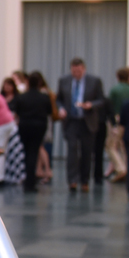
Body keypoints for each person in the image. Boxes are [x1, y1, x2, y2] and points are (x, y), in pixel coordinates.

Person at [56, 57, 105, 192]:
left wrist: (91, 105)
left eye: (78, 71)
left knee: (86, 152)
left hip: (87, 121)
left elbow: (101, 100)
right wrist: (61, 108)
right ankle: (72, 180)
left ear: (83, 69)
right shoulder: (64, 80)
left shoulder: (94, 81)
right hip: (71, 121)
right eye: (73, 71)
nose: (76, 74)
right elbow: (58, 99)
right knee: (72, 150)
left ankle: (84, 180)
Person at [11, 72, 55, 193]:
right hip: (39, 126)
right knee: (34, 152)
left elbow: (16, 110)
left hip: (25, 125)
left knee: (26, 152)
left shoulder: (22, 97)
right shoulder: (44, 97)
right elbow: (49, 112)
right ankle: (31, 181)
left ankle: (27, 180)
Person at [107, 67, 129, 182]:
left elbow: (110, 107)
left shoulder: (115, 90)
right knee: (124, 147)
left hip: (117, 119)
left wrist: (113, 124)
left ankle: (121, 168)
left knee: (111, 145)